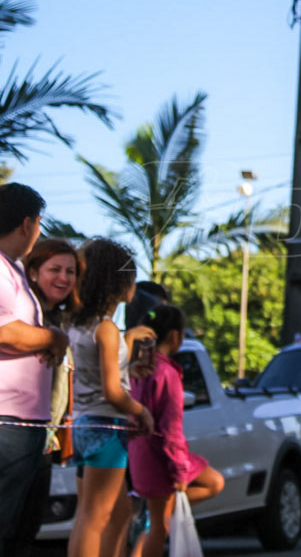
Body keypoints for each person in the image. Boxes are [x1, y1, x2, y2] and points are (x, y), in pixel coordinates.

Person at [67, 238, 154, 557]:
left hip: (84, 424)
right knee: (95, 517)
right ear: (118, 283)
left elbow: (100, 376)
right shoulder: (105, 328)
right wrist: (141, 411)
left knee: (114, 514)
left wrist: (128, 358)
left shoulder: (79, 324)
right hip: (107, 427)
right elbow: (112, 392)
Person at [0, 184, 69, 557]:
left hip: (22, 425)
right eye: (40, 224)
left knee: (16, 529)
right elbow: (4, 330)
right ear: (28, 223)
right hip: (6, 423)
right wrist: (51, 338)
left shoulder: (12, 270)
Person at [128, 305, 223, 557]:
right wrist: (179, 469)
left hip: (142, 454)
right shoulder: (166, 373)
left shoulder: (137, 368)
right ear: (174, 336)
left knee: (159, 519)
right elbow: (171, 428)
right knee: (159, 526)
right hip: (160, 457)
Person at [7, 239, 83, 555]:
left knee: (27, 528)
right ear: (33, 273)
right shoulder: (25, 319)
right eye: (55, 269)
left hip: (43, 440)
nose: (64, 278)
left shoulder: (64, 323)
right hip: (15, 433)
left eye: (70, 271)